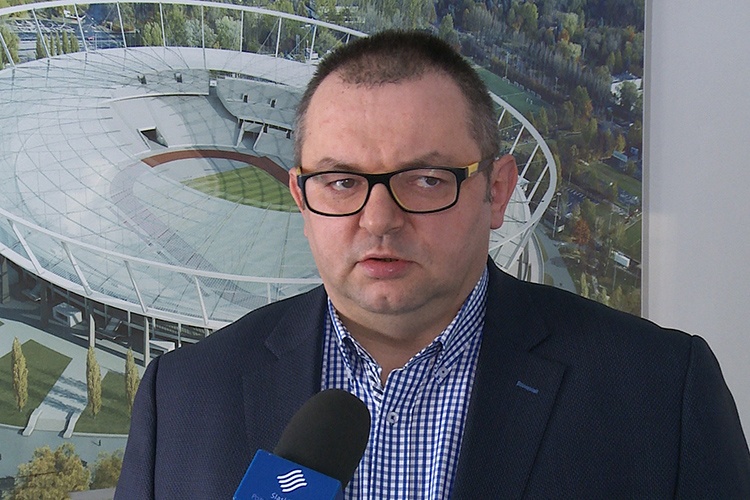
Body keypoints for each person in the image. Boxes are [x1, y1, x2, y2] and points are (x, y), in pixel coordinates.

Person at [116, 30, 750, 498]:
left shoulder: (661, 392)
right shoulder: (184, 395)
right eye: (341, 181)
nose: (379, 219)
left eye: (424, 179)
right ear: (302, 198)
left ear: (496, 192)